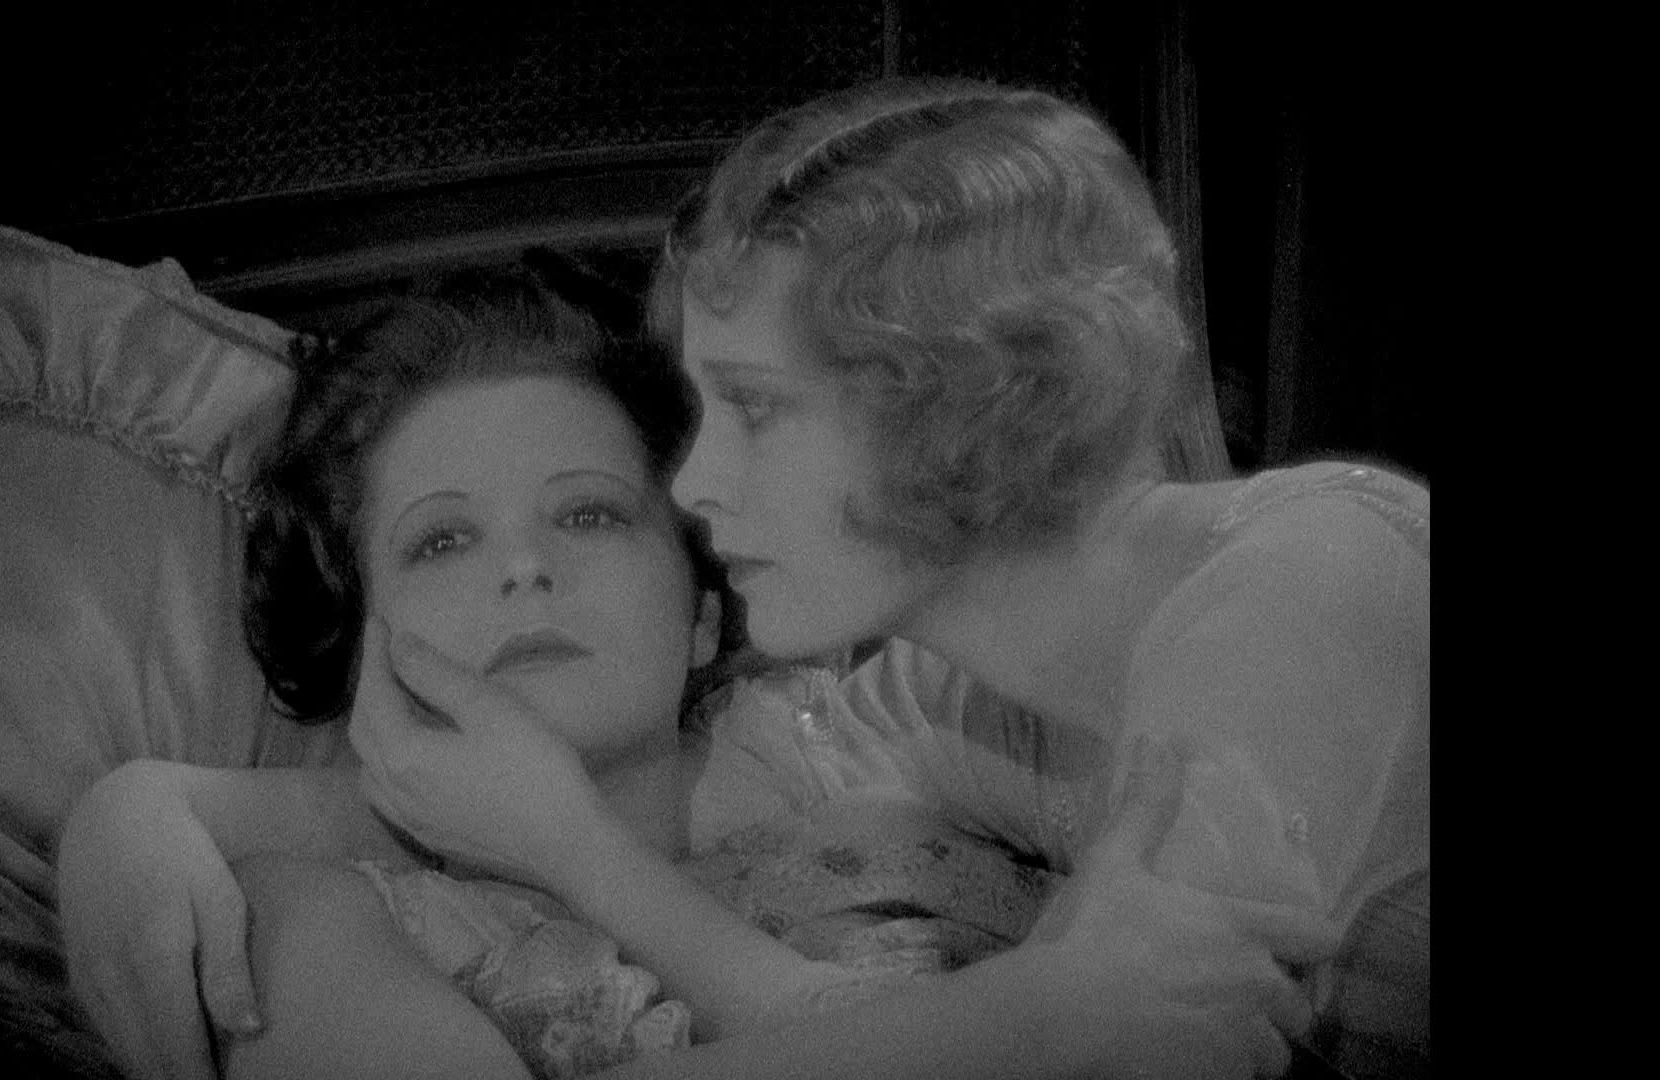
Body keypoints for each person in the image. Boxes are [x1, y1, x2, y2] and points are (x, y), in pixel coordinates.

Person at [352, 77, 1428, 1077]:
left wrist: (581, 855)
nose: (692, 484)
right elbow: (616, 791)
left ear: (958, 390)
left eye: (754, 408)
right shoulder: (952, 693)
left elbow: (1080, 1045)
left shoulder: (1305, 592)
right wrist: (220, 810)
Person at [59, 258, 1332, 1080]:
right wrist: (1039, 1019)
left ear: (705, 615)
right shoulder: (314, 920)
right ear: (360, 656)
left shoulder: (874, 734)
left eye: (592, 512)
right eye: (442, 540)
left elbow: (1253, 784)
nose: (526, 569)